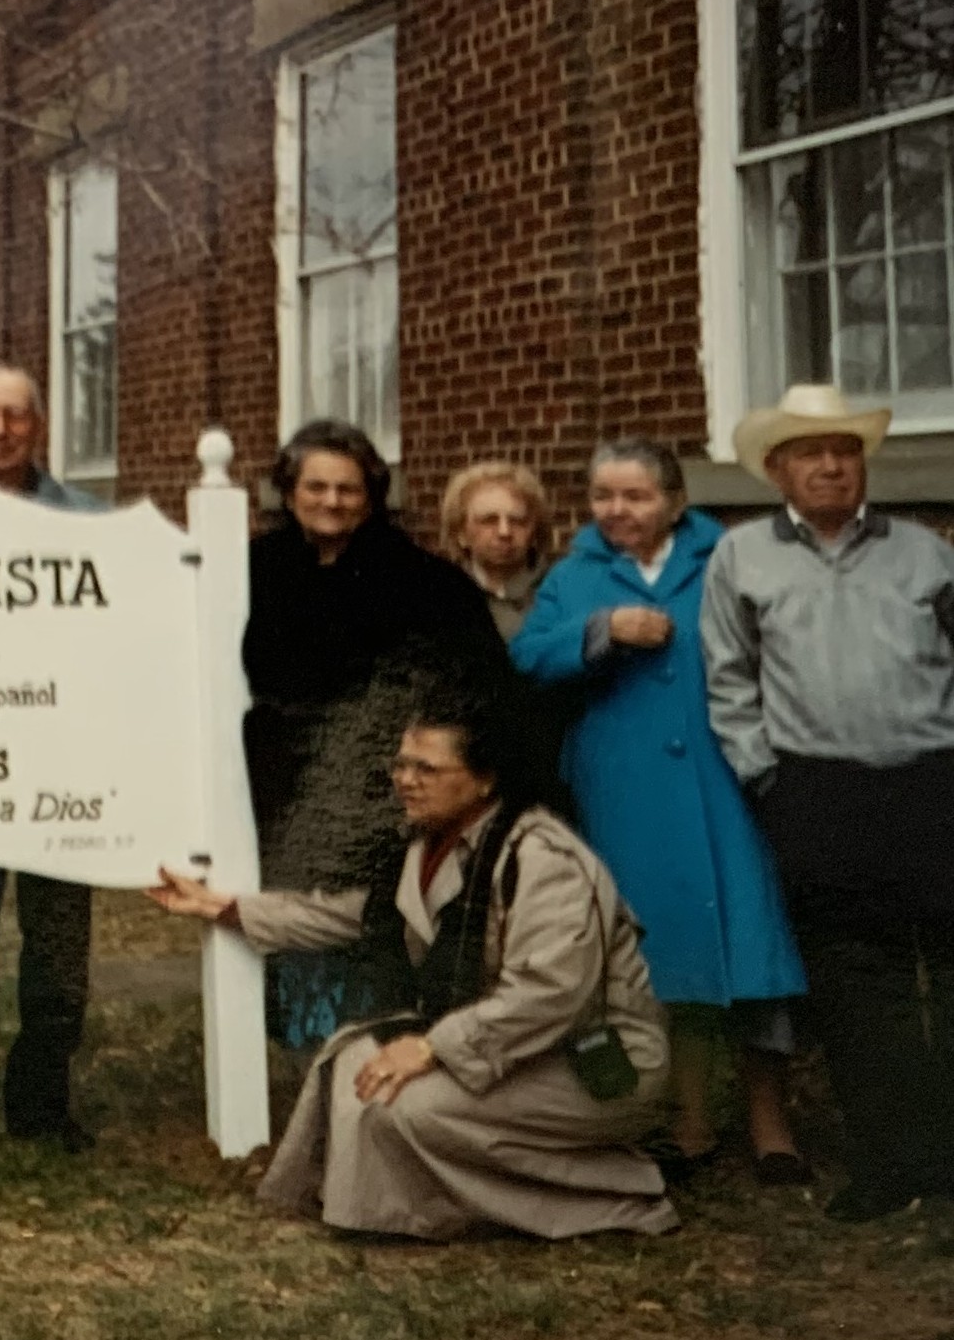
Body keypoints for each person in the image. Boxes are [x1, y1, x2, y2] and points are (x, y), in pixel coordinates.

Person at [148, 698, 677, 1241]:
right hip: (513, 1047)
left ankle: (619, 1191)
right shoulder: (432, 844)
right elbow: (351, 916)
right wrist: (225, 908)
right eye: (401, 764)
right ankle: (393, 1208)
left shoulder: (544, 859)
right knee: (356, 1063)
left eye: (426, 768)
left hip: (595, 1060)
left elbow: (550, 994)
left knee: (410, 1108)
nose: (405, 780)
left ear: (485, 780)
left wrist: (430, 1047)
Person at [511, 439, 808, 1182]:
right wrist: (600, 630)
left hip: (723, 775)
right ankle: (689, 1119)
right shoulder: (575, 574)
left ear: (675, 501)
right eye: (603, 496)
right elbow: (525, 659)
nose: (617, 510)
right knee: (663, 956)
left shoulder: (724, 558)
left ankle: (772, 1126)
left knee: (754, 946)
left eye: (636, 496)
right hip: (625, 787)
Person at [702, 384, 954, 1221]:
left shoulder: (924, 552)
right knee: (854, 980)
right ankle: (890, 1159)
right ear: (777, 469)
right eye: (809, 452)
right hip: (818, 790)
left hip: (933, 779)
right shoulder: (742, 557)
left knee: (947, 965)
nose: (830, 466)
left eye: (844, 450)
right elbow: (729, 676)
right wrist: (766, 776)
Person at [244, 420, 504, 1050]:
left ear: (371, 497)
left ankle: (372, 1059)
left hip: (382, 802)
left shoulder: (423, 582)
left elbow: (472, 689)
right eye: (316, 487)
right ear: (289, 492)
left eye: (348, 489)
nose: (332, 501)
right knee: (294, 939)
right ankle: (314, 1065)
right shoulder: (253, 571)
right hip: (282, 797)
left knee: (370, 944)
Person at [0, 363, 103, 1153]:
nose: (0, 430)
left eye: (15, 415)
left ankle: (41, 1101)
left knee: (59, 942)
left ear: (38, 425)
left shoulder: (92, 523)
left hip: (59, 756)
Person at [440, 460, 551, 641]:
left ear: (535, 531)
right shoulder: (442, 599)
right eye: (489, 520)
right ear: (461, 533)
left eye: (517, 521)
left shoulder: (559, 593)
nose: (504, 532)